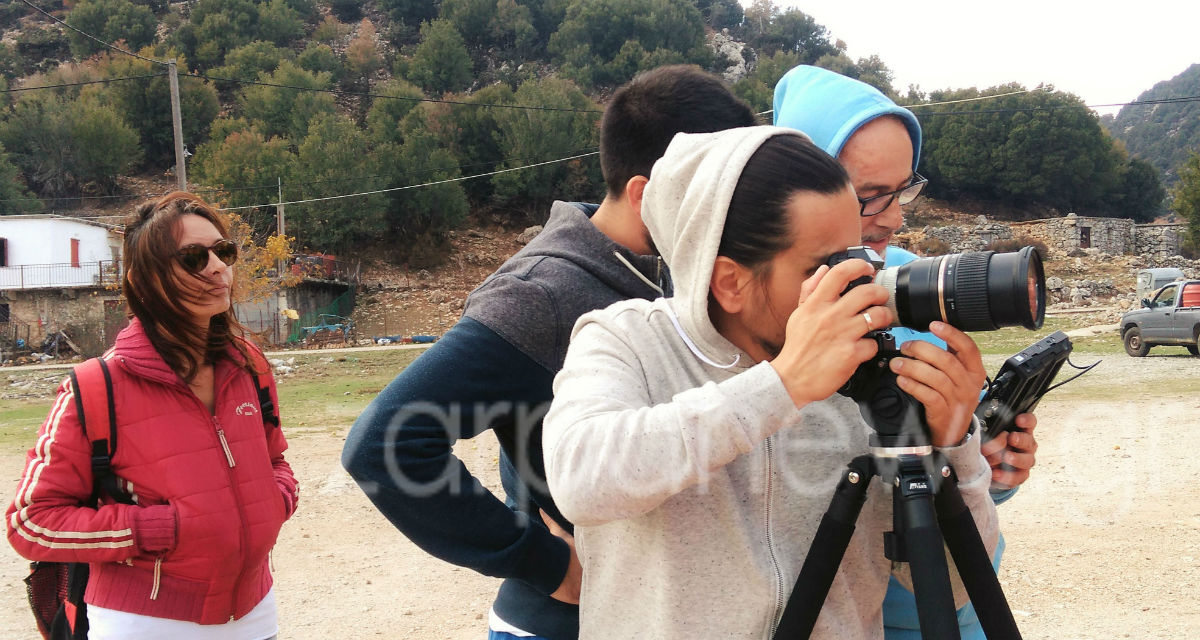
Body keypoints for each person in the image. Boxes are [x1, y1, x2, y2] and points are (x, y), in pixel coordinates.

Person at [341, 65, 758, 640]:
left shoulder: (669, 276)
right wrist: (542, 560)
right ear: (648, 193)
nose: (733, 213)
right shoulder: (542, 294)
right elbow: (386, 445)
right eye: (719, 194)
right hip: (565, 624)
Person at [542, 126, 999, 639]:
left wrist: (955, 448)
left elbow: (956, 586)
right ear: (730, 282)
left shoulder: (865, 372)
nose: (854, 282)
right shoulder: (625, 339)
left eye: (858, 257)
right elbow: (581, 481)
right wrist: (782, 386)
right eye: (823, 266)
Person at [772, 64, 1040, 638]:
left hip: (947, 608)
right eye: (871, 196)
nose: (894, 218)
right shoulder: (753, 317)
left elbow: (961, 485)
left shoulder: (911, 289)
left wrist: (987, 463)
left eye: (904, 190)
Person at [7, 192, 298, 639]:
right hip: (144, 623)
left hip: (256, 614)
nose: (218, 267)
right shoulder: (95, 387)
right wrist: (153, 528)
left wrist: (276, 499)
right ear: (144, 281)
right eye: (193, 258)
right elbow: (31, 520)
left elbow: (275, 459)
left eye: (223, 251)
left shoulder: (249, 365)